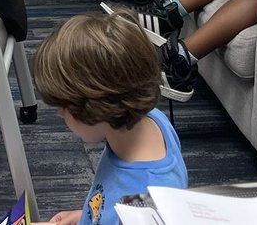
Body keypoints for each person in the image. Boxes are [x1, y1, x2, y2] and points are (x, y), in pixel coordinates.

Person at [31, 12, 186, 225]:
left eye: (64, 107)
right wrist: (85, 215)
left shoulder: (145, 202)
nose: (60, 113)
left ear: (96, 109)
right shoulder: (152, 119)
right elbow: (115, 205)